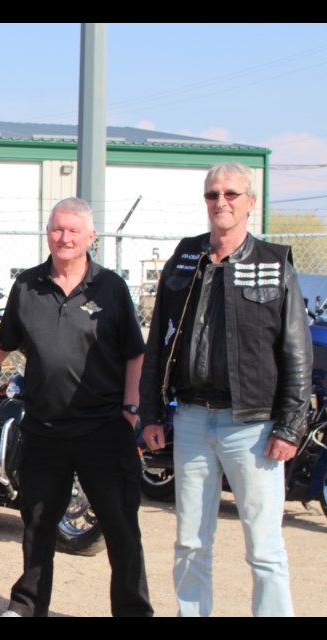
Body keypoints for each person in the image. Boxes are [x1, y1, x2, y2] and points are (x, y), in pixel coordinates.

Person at [139, 162, 312, 617]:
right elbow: (159, 338)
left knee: (264, 548)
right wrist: (152, 413)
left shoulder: (274, 263)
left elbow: (297, 353)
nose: (222, 203)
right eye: (213, 195)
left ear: (251, 203)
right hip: (192, 419)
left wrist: (290, 427)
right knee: (191, 542)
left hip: (253, 427)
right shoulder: (185, 257)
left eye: (232, 194)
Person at [0, 197, 153, 617]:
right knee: (37, 527)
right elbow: (1, 345)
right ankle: (26, 606)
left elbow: (136, 353)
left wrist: (132, 408)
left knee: (120, 529)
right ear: (48, 232)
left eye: (74, 230)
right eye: (58, 229)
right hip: (43, 430)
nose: (65, 237)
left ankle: (133, 611)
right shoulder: (27, 285)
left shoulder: (111, 287)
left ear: (91, 237)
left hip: (103, 429)